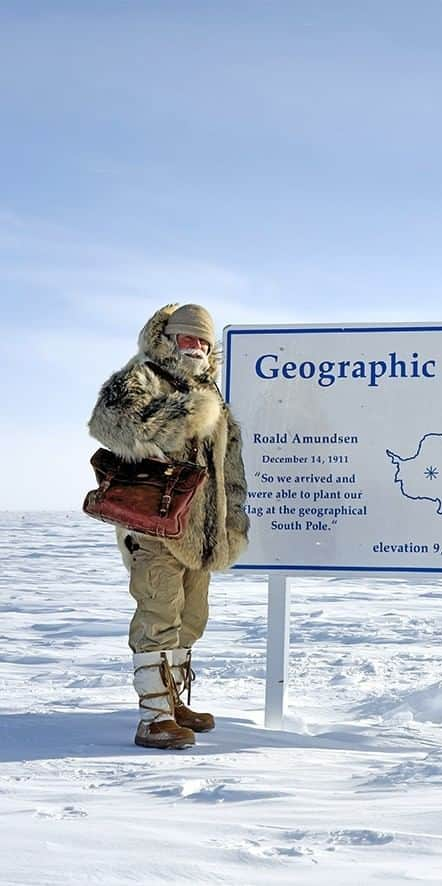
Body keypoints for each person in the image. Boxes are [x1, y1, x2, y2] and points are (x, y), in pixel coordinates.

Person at [88, 304, 249, 749]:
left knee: (191, 620)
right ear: (166, 338)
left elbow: (229, 472)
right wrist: (188, 414)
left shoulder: (214, 396)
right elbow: (108, 421)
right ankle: (154, 719)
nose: (195, 347)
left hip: (202, 534)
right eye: (187, 338)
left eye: (203, 341)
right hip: (153, 527)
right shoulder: (142, 377)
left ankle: (174, 703)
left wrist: (232, 523)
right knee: (157, 618)